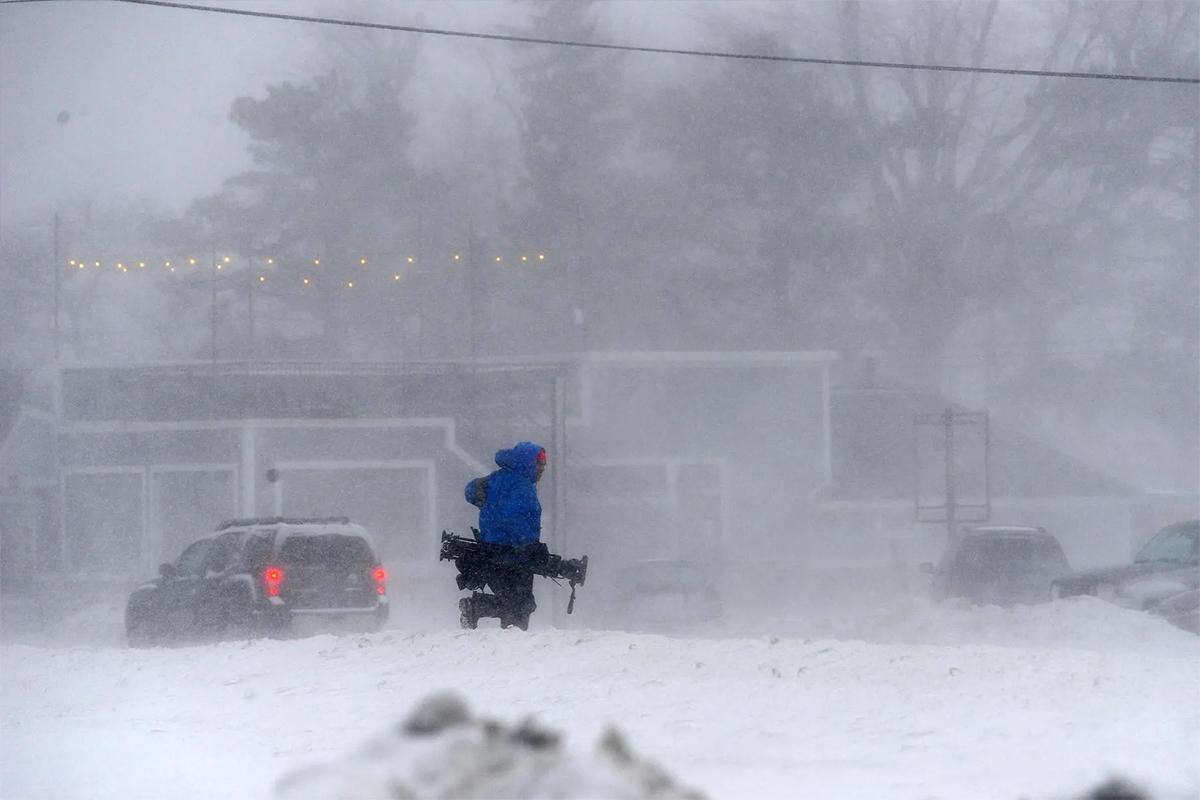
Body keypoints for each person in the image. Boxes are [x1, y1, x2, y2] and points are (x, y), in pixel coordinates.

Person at [458, 441, 547, 630]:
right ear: (527, 463)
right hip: (514, 554)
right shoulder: (522, 486)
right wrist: (530, 545)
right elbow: (513, 517)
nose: (542, 469)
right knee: (520, 606)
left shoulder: (497, 478)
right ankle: (478, 609)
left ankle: (478, 609)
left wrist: (474, 489)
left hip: (489, 551)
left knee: (513, 602)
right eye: (539, 464)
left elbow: (472, 491)